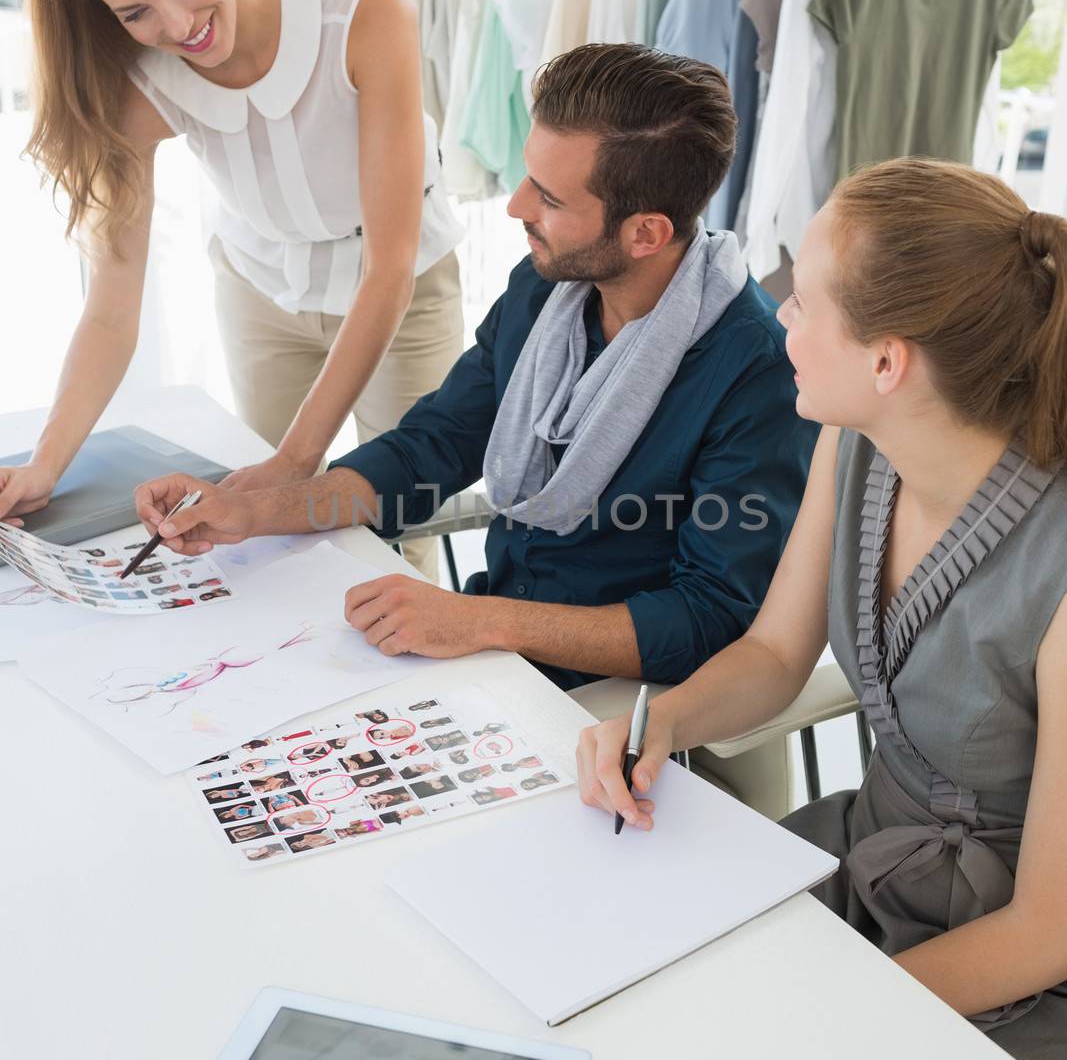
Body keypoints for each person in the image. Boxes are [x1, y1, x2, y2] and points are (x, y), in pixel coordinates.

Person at [576, 158, 1067, 1060]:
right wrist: (662, 724)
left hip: (1008, 963)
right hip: (865, 864)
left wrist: (835, 1011)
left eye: (801, 301)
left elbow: (1045, 930)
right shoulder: (858, 438)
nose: (780, 318)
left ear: (887, 362)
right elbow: (771, 653)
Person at [135, 43, 816, 692]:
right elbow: (428, 449)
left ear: (646, 234)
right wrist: (250, 511)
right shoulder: (542, 291)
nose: (516, 205)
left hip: (615, 705)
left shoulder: (755, 373)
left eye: (549, 199)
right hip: (499, 662)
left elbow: (708, 620)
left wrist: (478, 620)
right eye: (527, 178)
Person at [1, 0, 463, 581]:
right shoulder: (138, 83)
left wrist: (296, 462)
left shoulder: (363, 12)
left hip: (398, 293)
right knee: (262, 544)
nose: (179, 26)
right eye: (134, 13)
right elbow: (112, 311)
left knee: (399, 528)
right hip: (260, 289)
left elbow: (390, 265)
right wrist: (44, 466)